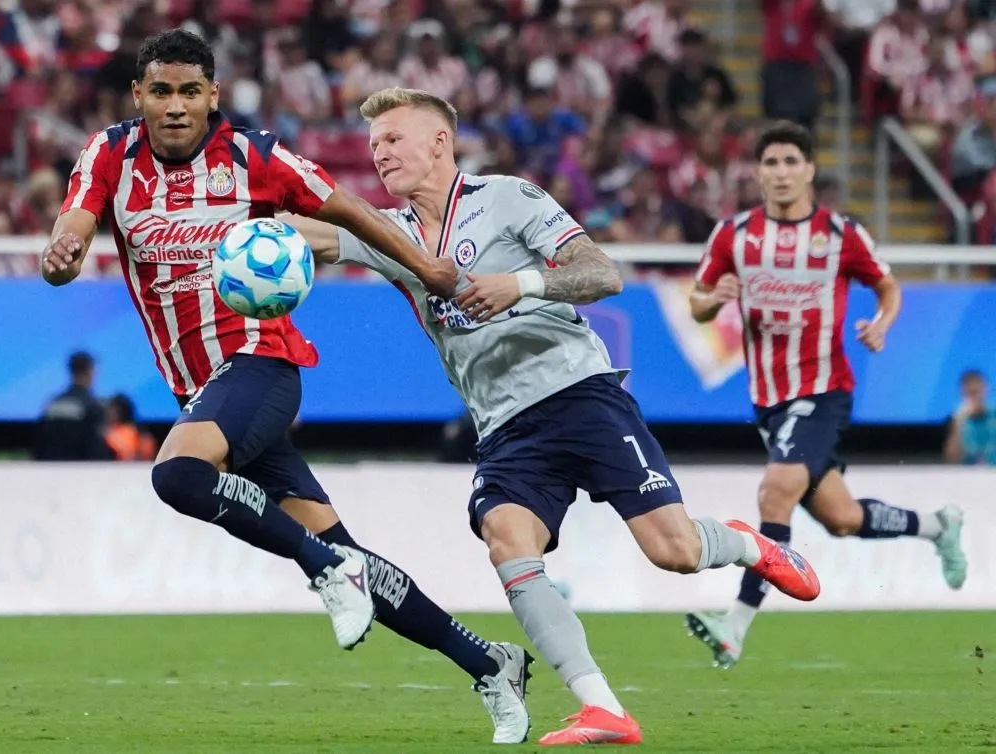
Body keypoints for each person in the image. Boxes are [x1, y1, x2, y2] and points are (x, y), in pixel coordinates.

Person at [284, 86, 822, 747]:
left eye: (393, 139)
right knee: (507, 538)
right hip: (503, 427)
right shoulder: (390, 236)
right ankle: (603, 708)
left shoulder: (508, 198)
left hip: (578, 393)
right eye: (374, 144)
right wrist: (221, 221)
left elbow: (602, 274)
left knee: (674, 552)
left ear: (439, 142)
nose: (379, 153)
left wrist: (521, 284)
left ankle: (749, 544)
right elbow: (310, 234)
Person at [41, 30, 532, 744]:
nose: (175, 106)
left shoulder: (256, 158)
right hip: (202, 393)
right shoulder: (110, 154)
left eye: (189, 92)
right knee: (352, 554)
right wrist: (61, 252)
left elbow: (350, 209)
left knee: (177, 475)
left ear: (212, 95)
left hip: (261, 363)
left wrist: (429, 269)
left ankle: (324, 570)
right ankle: (489, 663)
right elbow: (73, 228)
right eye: (161, 91)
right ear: (138, 95)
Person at [685, 121, 968, 670]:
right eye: (771, 162)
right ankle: (939, 524)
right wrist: (713, 299)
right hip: (768, 401)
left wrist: (882, 323)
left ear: (810, 170)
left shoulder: (840, 235)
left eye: (792, 161)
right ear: (758, 173)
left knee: (775, 492)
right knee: (841, 517)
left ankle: (734, 626)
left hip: (822, 389)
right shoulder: (733, 235)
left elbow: (887, 286)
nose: (781, 172)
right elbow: (697, 302)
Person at [32, 351, 115, 462]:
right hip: (80, 469)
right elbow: (96, 450)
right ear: (90, 372)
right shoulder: (93, 407)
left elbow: (39, 444)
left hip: (51, 468)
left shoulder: (52, 405)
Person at [944, 369, 996, 465]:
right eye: (970, 393)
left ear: (986, 389)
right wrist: (958, 424)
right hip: (969, 473)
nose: (974, 398)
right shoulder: (958, 419)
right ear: (962, 392)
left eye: (977, 392)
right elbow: (952, 459)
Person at [104, 393, 159, 461]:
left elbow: (147, 453)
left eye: (115, 410)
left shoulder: (133, 432)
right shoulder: (108, 432)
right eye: (110, 410)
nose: (111, 414)